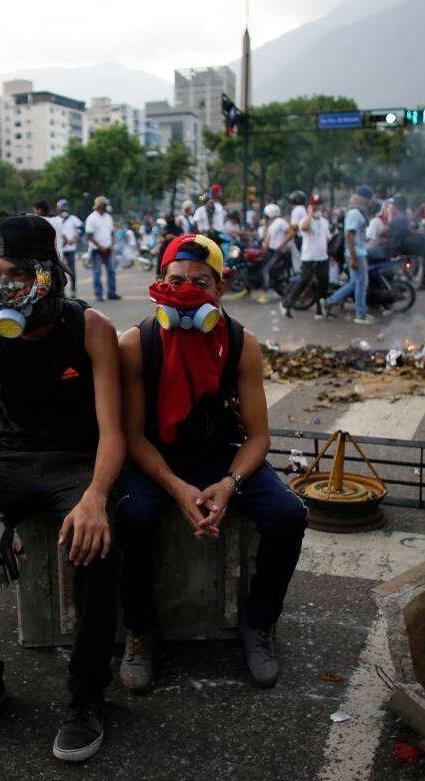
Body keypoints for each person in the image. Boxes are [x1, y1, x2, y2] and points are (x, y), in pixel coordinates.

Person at [0, 215, 123, 763]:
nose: (2, 285)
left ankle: (87, 696)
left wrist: (96, 498)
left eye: (15, 272)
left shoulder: (91, 329)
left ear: (48, 274)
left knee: (97, 549)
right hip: (12, 461)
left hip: (79, 462)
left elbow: (114, 432)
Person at [115, 233, 307, 693]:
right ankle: (139, 631)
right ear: (158, 283)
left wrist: (230, 482)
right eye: (175, 280)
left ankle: (258, 623)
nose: (185, 291)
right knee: (129, 515)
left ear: (220, 290)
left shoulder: (242, 344)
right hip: (157, 458)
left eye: (199, 282)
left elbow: (258, 437)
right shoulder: (137, 343)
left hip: (221, 455)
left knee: (288, 515)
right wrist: (176, 488)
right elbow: (132, 436)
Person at [322, 185, 376, 325]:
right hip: (357, 254)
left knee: (355, 283)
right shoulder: (355, 214)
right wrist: (353, 257)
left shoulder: (357, 213)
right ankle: (360, 314)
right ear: (363, 199)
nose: (370, 202)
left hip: (357, 253)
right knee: (361, 284)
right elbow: (349, 236)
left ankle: (329, 302)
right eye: (368, 199)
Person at [283, 195, 330, 319]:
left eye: (319, 204)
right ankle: (287, 304)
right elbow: (303, 227)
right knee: (304, 281)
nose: (317, 207)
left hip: (322, 258)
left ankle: (320, 311)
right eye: (315, 205)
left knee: (323, 284)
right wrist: (310, 214)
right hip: (308, 257)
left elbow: (327, 238)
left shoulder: (325, 221)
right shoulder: (305, 219)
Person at [85, 195, 118, 301]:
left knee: (111, 271)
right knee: (97, 272)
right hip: (97, 250)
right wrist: (100, 246)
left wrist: (112, 245)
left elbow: (112, 233)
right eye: (105, 205)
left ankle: (111, 293)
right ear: (100, 206)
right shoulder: (91, 218)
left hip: (108, 249)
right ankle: (98, 294)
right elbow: (89, 236)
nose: (106, 207)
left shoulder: (108, 217)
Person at [257, 203, 292, 304]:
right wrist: (264, 248)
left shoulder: (281, 222)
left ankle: (265, 294)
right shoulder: (271, 224)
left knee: (265, 270)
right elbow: (268, 238)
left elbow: (290, 234)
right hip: (271, 251)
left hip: (279, 252)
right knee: (262, 269)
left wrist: (280, 246)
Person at [55, 198, 82, 296]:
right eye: (61, 208)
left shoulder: (73, 219)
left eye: (64, 207)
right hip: (60, 250)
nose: (63, 210)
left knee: (71, 271)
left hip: (70, 249)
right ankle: (61, 292)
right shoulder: (56, 220)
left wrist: (75, 238)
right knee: (59, 272)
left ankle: (73, 291)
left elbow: (81, 229)